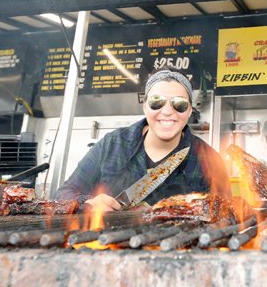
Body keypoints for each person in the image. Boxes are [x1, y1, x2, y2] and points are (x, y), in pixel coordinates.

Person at [55, 68, 231, 211]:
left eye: (179, 104)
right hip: (103, 247)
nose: (168, 111)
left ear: (190, 110)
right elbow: (64, 194)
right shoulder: (112, 145)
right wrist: (88, 203)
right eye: (157, 102)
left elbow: (227, 211)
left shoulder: (209, 160)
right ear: (145, 106)